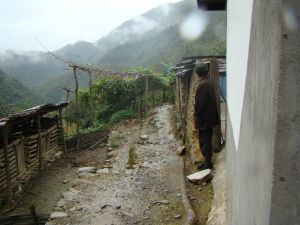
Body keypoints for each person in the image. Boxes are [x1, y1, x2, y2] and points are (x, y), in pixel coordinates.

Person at [194, 62, 220, 170]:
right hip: (210, 119)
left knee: (204, 141)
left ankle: (207, 163)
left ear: (198, 73)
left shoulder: (202, 85)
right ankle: (207, 161)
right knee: (207, 140)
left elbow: (200, 105)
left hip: (205, 120)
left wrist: (196, 116)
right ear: (206, 72)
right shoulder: (209, 83)